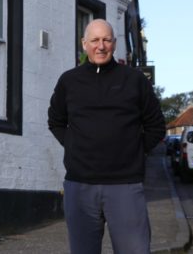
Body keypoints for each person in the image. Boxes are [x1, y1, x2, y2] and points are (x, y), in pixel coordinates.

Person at [47, 19, 166, 254]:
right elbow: (56, 121)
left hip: (126, 186)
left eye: (106, 40)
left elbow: (156, 126)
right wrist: (73, 146)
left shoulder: (135, 80)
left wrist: (134, 151)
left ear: (114, 43)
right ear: (84, 44)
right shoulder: (68, 81)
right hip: (80, 186)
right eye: (94, 40)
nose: (100, 46)